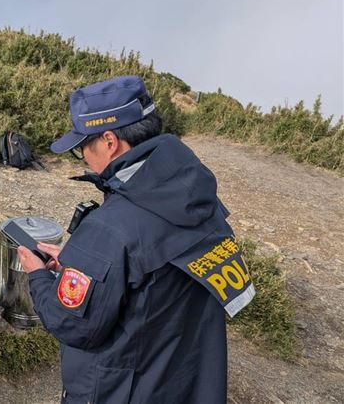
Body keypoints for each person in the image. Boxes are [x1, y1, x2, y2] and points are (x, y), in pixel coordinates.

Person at [17, 75, 254, 403]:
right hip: (187, 384)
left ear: (110, 141)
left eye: (83, 146)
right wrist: (80, 264)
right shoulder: (200, 198)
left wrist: (39, 276)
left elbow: (74, 325)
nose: (84, 157)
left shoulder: (112, 228)